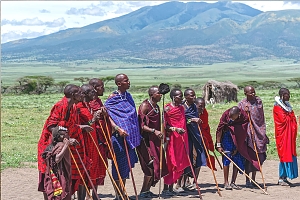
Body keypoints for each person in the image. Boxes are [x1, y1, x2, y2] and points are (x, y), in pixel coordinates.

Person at [38, 84, 92, 199]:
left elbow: (70, 125)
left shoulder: (72, 107)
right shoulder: (60, 106)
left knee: (66, 174)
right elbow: (51, 126)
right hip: (51, 145)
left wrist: (81, 127)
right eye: (80, 93)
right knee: (52, 174)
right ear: (73, 95)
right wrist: (65, 138)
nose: (83, 95)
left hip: (63, 144)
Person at [104, 74, 141, 200]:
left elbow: (131, 116)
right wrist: (118, 129)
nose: (129, 82)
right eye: (126, 81)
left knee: (126, 165)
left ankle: (123, 192)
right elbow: (107, 116)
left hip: (129, 137)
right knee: (118, 165)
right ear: (119, 84)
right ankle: (117, 194)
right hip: (118, 138)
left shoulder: (128, 96)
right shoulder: (112, 98)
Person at [136, 85, 169, 198]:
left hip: (155, 140)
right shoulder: (145, 106)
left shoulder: (157, 107)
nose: (160, 95)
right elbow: (140, 125)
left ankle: (147, 191)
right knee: (150, 166)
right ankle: (142, 192)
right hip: (146, 141)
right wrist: (154, 131)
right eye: (158, 93)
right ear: (152, 94)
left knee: (157, 165)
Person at [216, 106, 259, 190]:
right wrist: (218, 145)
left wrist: (238, 145)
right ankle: (226, 182)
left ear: (238, 114)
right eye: (230, 117)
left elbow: (242, 131)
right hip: (227, 137)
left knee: (236, 158)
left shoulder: (243, 117)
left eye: (233, 117)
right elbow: (220, 129)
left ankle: (233, 182)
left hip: (238, 139)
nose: (231, 119)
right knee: (227, 157)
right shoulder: (225, 115)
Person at [77, 84, 107, 200]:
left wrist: (98, 117)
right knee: (83, 173)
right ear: (84, 94)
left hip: (93, 144)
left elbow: (91, 122)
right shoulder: (79, 107)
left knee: (91, 171)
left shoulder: (88, 106)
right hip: (84, 145)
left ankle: (93, 196)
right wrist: (92, 120)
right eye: (91, 92)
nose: (94, 94)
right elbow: (75, 125)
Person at [175, 89, 206, 192]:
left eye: (194, 95)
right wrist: (192, 120)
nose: (194, 97)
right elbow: (180, 121)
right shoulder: (181, 107)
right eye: (191, 95)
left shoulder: (193, 107)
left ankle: (191, 183)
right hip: (184, 136)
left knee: (197, 157)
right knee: (184, 158)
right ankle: (178, 184)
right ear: (186, 96)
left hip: (194, 136)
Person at [238, 86, 269, 188]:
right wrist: (245, 112)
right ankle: (247, 181)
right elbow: (238, 118)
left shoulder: (258, 102)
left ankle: (254, 180)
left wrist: (250, 110)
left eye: (254, 92)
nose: (253, 94)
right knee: (249, 157)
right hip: (248, 134)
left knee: (258, 157)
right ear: (245, 93)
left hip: (259, 132)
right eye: (250, 93)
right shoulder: (242, 104)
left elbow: (260, 117)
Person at [162, 88, 190, 195]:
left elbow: (182, 122)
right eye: (180, 96)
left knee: (180, 162)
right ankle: (165, 188)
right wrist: (175, 129)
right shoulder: (167, 108)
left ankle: (172, 188)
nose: (182, 98)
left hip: (182, 140)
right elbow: (165, 125)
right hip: (172, 139)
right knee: (170, 162)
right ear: (174, 97)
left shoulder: (181, 108)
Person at [273, 88, 298, 186]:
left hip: (289, 136)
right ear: (282, 95)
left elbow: (291, 117)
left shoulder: (287, 105)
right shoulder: (277, 107)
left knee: (289, 154)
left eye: (289, 94)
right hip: (283, 136)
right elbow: (283, 121)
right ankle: (281, 178)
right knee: (284, 155)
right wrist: (291, 117)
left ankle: (285, 177)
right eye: (287, 94)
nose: (289, 96)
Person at [42, 126, 71, 200]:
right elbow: (57, 159)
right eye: (64, 134)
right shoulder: (61, 146)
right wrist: (66, 146)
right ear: (60, 137)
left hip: (53, 175)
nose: (67, 136)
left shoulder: (53, 145)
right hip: (59, 175)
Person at [195, 97, 216, 171]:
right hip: (192, 137)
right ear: (195, 105)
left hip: (202, 137)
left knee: (200, 159)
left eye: (204, 106)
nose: (202, 108)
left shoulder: (205, 113)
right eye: (200, 106)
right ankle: (185, 180)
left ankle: (195, 181)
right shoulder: (190, 112)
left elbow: (205, 126)